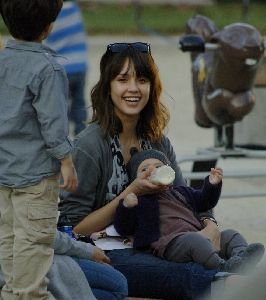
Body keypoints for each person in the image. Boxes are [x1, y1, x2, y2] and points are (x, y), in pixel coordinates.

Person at [58, 42, 235, 299]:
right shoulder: (90, 145)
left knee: (233, 247)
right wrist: (130, 192)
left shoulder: (157, 140)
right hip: (108, 251)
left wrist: (210, 225)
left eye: (142, 79)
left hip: (164, 242)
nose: (133, 88)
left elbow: (187, 197)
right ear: (108, 86)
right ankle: (231, 285)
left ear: (152, 87)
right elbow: (74, 228)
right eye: (122, 79)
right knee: (185, 273)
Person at [0, 1, 78, 299]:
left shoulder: (2, 62)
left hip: (4, 174)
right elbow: (53, 123)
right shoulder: (48, 69)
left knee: (9, 244)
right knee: (33, 248)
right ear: (49, 27)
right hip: (35, 180)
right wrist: (66, 161)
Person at [113, 148, 265, 273]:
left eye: (158, 166)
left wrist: (212, 185)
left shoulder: (181, 192)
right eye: (144, 169)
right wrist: (126, 206)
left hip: (198, 236)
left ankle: (243, 258)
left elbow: (205, 201)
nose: (152, 170)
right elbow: (124, 227)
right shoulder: (140, 201)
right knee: (196, 242)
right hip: (170, 244)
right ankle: (222, 266)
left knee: (231, 234)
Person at [0, 230, 128, 300]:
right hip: (34, 262)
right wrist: (87, 250)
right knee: (119, 285)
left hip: (22, 263)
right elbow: (41, 233)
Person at [45, 0, 89, 135]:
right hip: (80, 65)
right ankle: (81, 135)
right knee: (79, 103)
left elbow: (49, 38)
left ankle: (61, 138)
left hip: (62, 67)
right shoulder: (74, 9)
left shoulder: (51, 12)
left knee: (60, 106)